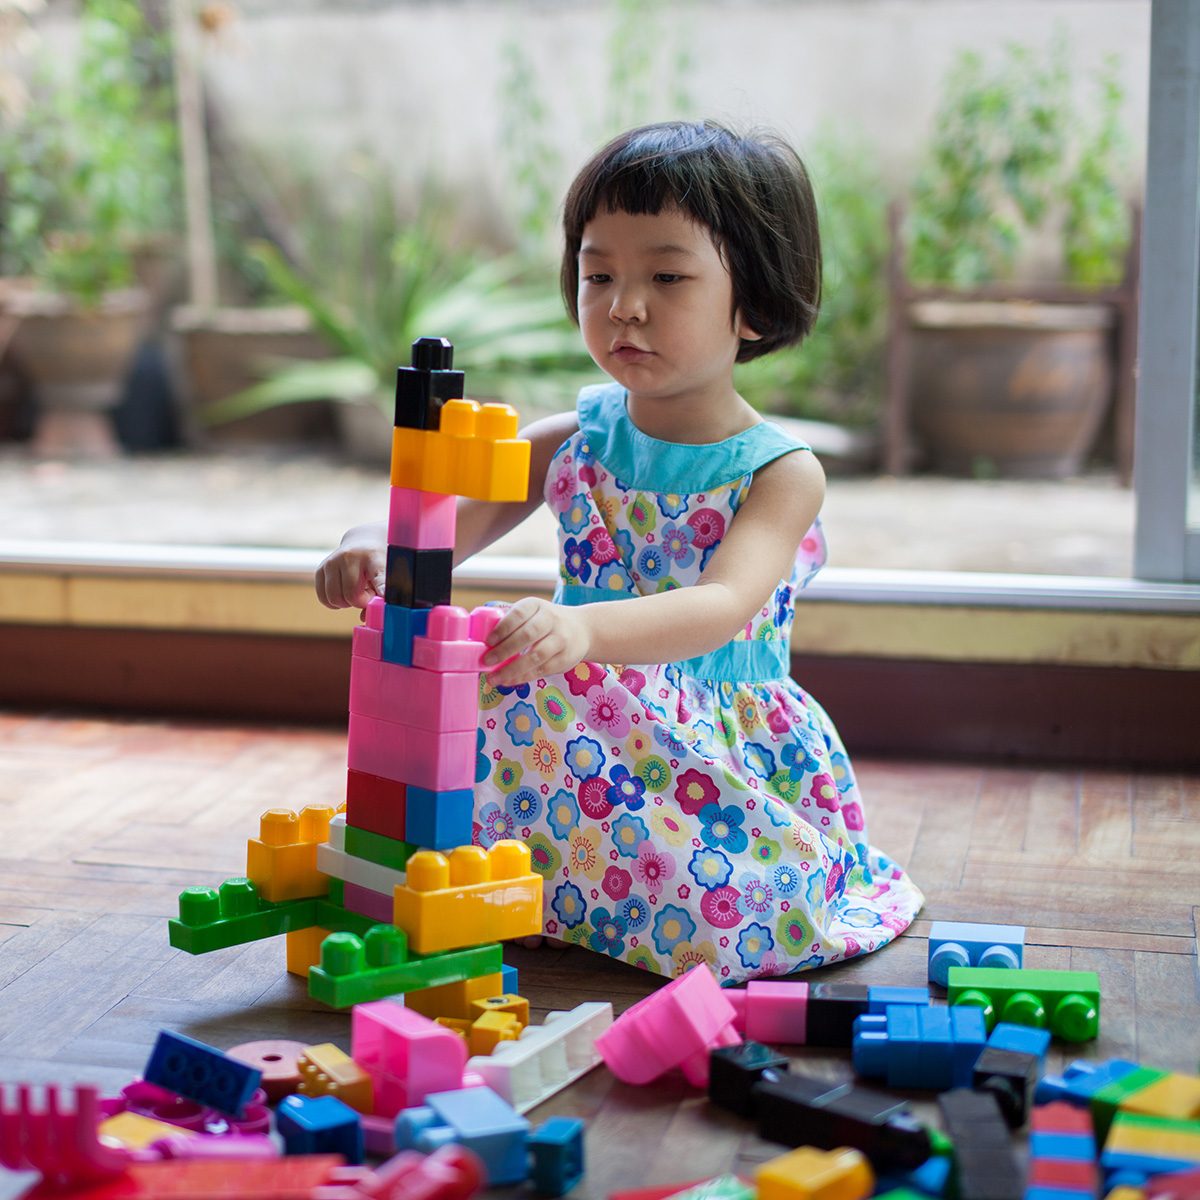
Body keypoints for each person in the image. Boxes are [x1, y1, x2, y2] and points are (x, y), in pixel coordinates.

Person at [315, 120, 923, 982]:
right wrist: (368, 545)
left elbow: (720, 607)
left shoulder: (781, 472)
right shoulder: (574, 438)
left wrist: (587, 631)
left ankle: (605, 898)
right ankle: (534, 893)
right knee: (453, 726)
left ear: (754, 302)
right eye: (598, 275)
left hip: (705, 741)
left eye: (667, 277)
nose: (623, 305)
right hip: (572, 728)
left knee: (743, 919)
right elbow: (437, 530)